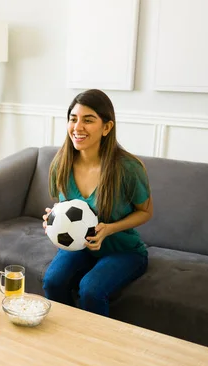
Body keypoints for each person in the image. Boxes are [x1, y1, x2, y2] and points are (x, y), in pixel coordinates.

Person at [42, 89, 153, 317]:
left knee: (91, 289)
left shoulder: (128, 168)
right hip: (79, 247)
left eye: (88, 120)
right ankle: (65, 337)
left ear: (106, 127)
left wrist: (109, 229)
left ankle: (95, 348)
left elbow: (145, 212)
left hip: (123, 251)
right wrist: (52, 220)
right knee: (53, 281)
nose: (78, 127)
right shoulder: (60, 165)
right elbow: (64, 208)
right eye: (73, 119)